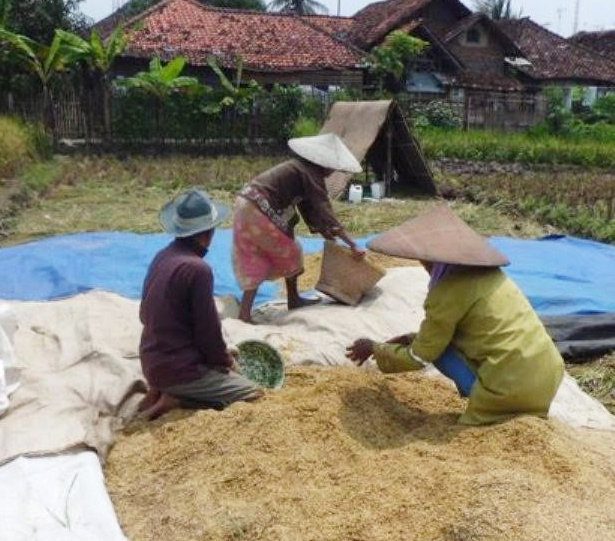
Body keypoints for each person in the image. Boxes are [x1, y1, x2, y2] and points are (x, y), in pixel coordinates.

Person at [345, 205, 565, 425]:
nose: (424, 266)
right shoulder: (493, 277)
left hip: (509, 388)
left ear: (435, 260)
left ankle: (495, 406)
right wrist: (409, 339)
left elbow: (421, 356)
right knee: (445, 343)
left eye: (424, 260)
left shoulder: (446, 293)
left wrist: (375, 348)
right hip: (547, 377)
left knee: (439, 351)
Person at [139, 189, 262, 420]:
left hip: (151, 358)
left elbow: (145, 314)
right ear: (208, 233)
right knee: (253, 393)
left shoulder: (163, 256)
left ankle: (163, 387)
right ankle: (177, 399)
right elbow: (208, 333)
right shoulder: (197, 269)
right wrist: (225, 362)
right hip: (178, 369)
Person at [233, 132, 365, 323]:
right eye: (333, 168)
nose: (332, 172)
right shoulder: (309, 173)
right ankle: (286, 301)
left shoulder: (299, 168)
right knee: (290, 251)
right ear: (325, 163)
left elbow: (308, 208)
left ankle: (250, 312)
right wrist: (352, 244)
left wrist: (326, 232)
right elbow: (323, 209)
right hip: (259, 209)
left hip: (245, 203)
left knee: (257, 255)